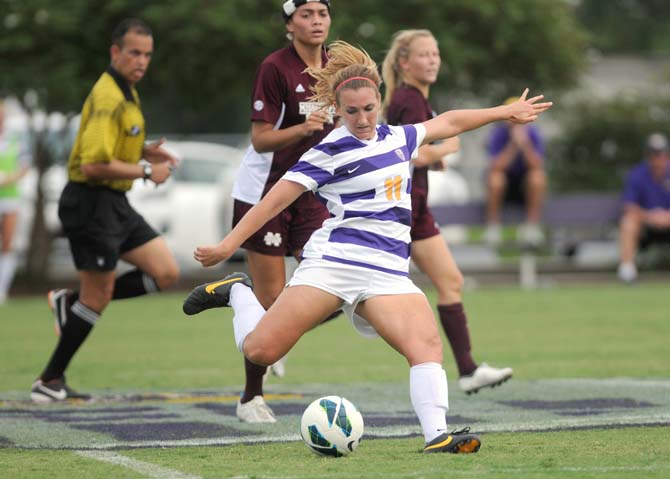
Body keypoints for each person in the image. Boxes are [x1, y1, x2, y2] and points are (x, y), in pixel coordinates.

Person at [183, 41, 551, 452]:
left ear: (380, 102)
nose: (362, 118)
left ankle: (437, 435)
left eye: (369, 109)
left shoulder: (399, 138)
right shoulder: (326, 152)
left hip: (387, 271)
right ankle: (239, 291)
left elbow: (449, 122)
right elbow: (273, 201)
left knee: (425, 345)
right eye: (352, 111)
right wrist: (226, 245)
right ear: (337, 110)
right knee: (261, 350)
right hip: (333, 264)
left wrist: (505, 113)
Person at [30, 18, 179, 403]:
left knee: (165, 272)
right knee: (96, 297)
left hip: (114, 203)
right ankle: (49, 380)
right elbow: (94, 164)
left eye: (147, 54)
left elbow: (114, 146)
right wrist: (147, 169)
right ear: (115, 52)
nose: (141, 61)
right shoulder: (108, 95)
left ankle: (69, 303)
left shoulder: (127, 90)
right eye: (134, 53)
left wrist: (143, 151)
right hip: (90, 201)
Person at [382, 30, 512, 394]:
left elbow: (417, 156)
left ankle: (469, 370)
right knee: (351, 292)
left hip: (416, 210)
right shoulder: (408, 100)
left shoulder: (416, 99)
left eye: (436, 53)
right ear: (404, 63)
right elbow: (405, 154)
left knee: (450, 282)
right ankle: (278, 332)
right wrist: (443, 151)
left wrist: (434, 159)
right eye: (424, 54)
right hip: (402, 210)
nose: (433, 59)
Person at [227, 0, 333, 423]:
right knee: (272, 303)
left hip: (311, 193)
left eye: (322, 13)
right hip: (264, 191)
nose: (316, 21)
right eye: (306, 14)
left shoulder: (339, 66)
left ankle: (255, 312)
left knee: (332, 290)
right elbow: (260, 140)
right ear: (289, 24)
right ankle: (251, 398)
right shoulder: (275, 67)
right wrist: (304, 128)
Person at [484, 97, 547, 247]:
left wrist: (524, 144)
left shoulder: (533, 133)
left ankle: (532, 227)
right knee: (495, 179)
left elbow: (537, 165)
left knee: (537, 178)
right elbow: (496, 167)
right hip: (503, 189)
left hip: (525, 188)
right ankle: (493, 226)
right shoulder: (498, 134)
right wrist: (513, 145)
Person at [618, 132, 670, 283]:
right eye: (653, 154)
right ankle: (627, 270)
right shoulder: (637, 174)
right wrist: (650, 216)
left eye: (660, 154)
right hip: (646, 226)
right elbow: (628, 205)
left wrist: (667, 217)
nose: (656, 159)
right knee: (628, 221)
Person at [0, 100, 31, 304]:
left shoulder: (14, 140)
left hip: (9, 198)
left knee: (8, 244)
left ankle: (2, 289)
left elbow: (24, 167)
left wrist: (8, 179)